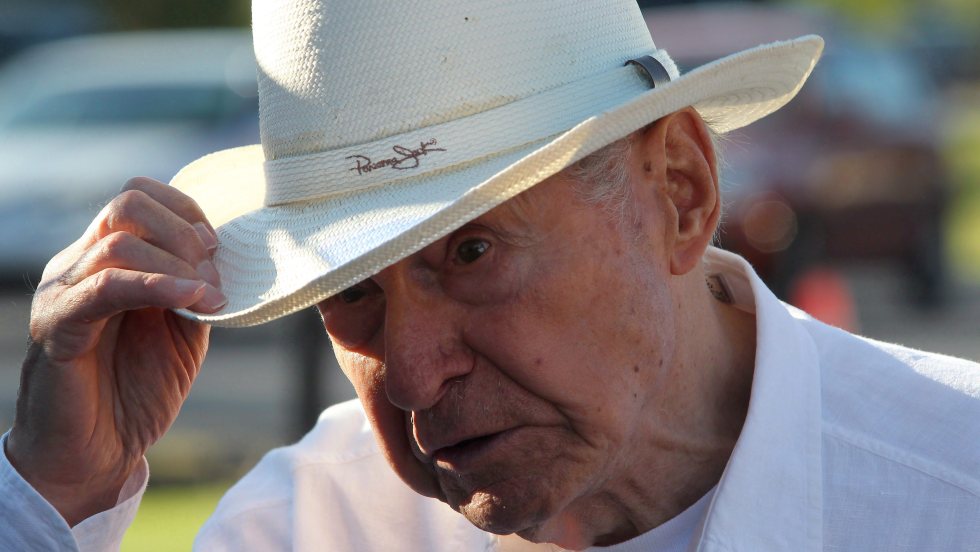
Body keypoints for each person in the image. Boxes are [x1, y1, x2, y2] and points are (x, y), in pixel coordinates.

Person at [2, 0, 978, 550]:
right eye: (351, 291)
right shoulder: (310, 526)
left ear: (678, 193)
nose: (413, 375)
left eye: (470, 252)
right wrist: (58, 494)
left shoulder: (951, 490)